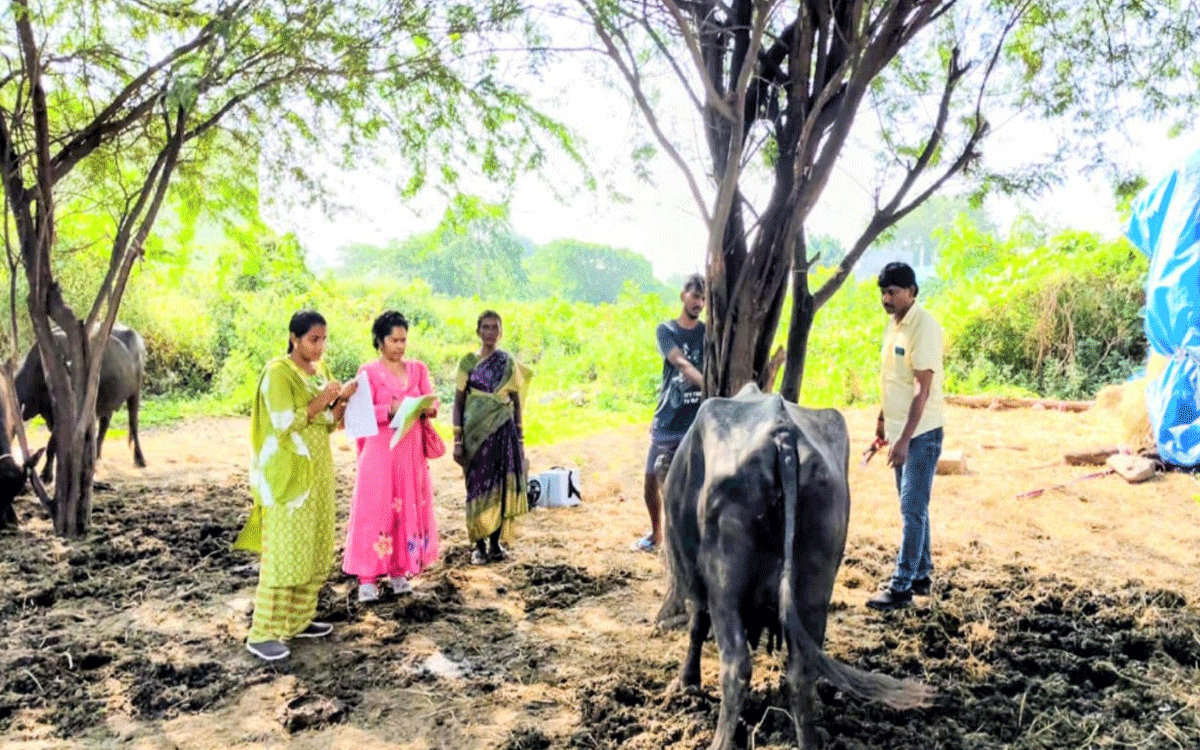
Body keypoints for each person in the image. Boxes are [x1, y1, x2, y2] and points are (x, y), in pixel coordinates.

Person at [235, 310, 357, 661]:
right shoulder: (278, 373)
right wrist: (325, 398)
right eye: (312, 339)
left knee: (313, 546)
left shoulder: (321, 374)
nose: (319, 347)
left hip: (317, 473)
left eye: (323, 339)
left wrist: (343, 399)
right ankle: (262, 633)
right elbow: (285, 421)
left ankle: (298, 621)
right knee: (284, 553)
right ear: (294, 338)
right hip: (287, 477)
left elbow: (329, 424)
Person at [343, 311, 440, 603]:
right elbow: (358, 415)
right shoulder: (368, 373)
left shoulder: (418, 369)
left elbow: (431, 402)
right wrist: (389, 410)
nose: (400, 346)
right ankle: (367, 577)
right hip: (380, 452)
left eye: (403, 340)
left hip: (410, 452)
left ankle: (400, 570)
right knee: (375, 508)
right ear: (379, 341)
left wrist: (422, 407)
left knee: (406, 507)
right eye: (394, 340)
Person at [867, 262, 945, 611]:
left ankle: (901, 588)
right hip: (900, 429)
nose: (887, 298)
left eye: (893, 292)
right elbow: (892, 380)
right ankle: (922, 574)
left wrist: (903, 441)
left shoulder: (923, 327)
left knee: (912, 509)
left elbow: (921, 388)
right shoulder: (893, 325)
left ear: (912, 291)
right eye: (883, 292)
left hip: (921, 434)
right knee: (912, 508)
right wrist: (884, 420)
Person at [452, 310, 532, 566]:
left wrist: (519, 438)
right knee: (476, 487)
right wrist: (457, 439)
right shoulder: (467, 362)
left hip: (503, 432)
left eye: (495, 328)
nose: (490, 332)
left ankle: (495, 543)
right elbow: (458, 402)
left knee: (499, 487)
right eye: (485, 327)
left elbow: (516, 401)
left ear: (501, 332)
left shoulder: (507, 362)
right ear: (478, 331)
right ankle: (478, 545)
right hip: (475, 435)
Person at [634, 273, 705, 554]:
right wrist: (709, 385)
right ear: (682, 296)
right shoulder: (666, 330)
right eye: (695, 296)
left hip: (696, 421)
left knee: (694, 485)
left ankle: (692, 539)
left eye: (703, 298)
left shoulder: (708, 332)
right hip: (669, 419)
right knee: (651, 483)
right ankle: (656, 534)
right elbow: (679, 362)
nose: (699, 303)